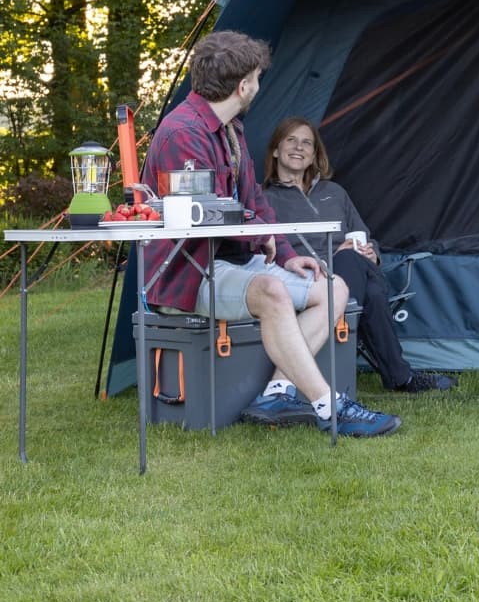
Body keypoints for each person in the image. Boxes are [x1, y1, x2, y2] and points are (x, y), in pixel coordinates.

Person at [140, 30, 400, 437]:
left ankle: (276, 391)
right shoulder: (183, 135)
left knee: (331, 288)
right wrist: (254, 239)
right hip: (188, 273)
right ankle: (329, 405)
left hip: (234, 264)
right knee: (272, 292)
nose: (259, 86)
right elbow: (199, 224)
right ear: (244, 85)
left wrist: (283, 254)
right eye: (258, 78)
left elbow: (255, 206)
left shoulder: (232, 130)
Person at [262, 116, 456, 394]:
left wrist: (372, 253)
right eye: (291, 140)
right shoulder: (265, 199)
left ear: (315, 155)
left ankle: (398, 374)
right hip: (309, 279)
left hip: (355, 273)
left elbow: (365, 236)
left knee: (360, 265)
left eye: (307, 143)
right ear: (276, 150)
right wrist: (335, 257)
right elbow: (271, 252)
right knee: (373, 291)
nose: (299, 147)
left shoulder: (334, 193)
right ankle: (402, 376)